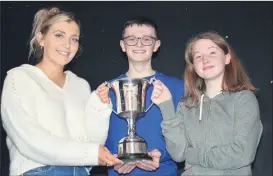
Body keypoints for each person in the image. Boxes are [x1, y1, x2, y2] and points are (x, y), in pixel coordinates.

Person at [0, 7, 122, 176]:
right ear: (41, 38)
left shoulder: (81, 85)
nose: (67, 45)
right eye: (59, 35)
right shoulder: (19, 78)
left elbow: (93, 142)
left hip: (81, 171)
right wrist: (92, 154)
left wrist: (99, 108)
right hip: (37, 171)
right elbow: (28, 139)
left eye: (74, 39)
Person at [151, 31, 263, 176]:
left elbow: (242, 153)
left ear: (227, 58)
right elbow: (178, 154)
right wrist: (166, 106)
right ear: (193, 66)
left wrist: (192, 156)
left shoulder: (244, 99)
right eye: (198, 56)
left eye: (212, 53)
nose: (205, 60)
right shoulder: (186, 105)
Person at [104, 17, 184, 175]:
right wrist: (110, 159)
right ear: (122, 45)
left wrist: (162, 156)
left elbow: (186, 140)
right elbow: (98, 138)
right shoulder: (107, 90)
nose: (139, 44)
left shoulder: (177, 88)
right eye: (131, 39)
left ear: (156, 45)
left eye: (146, 39)